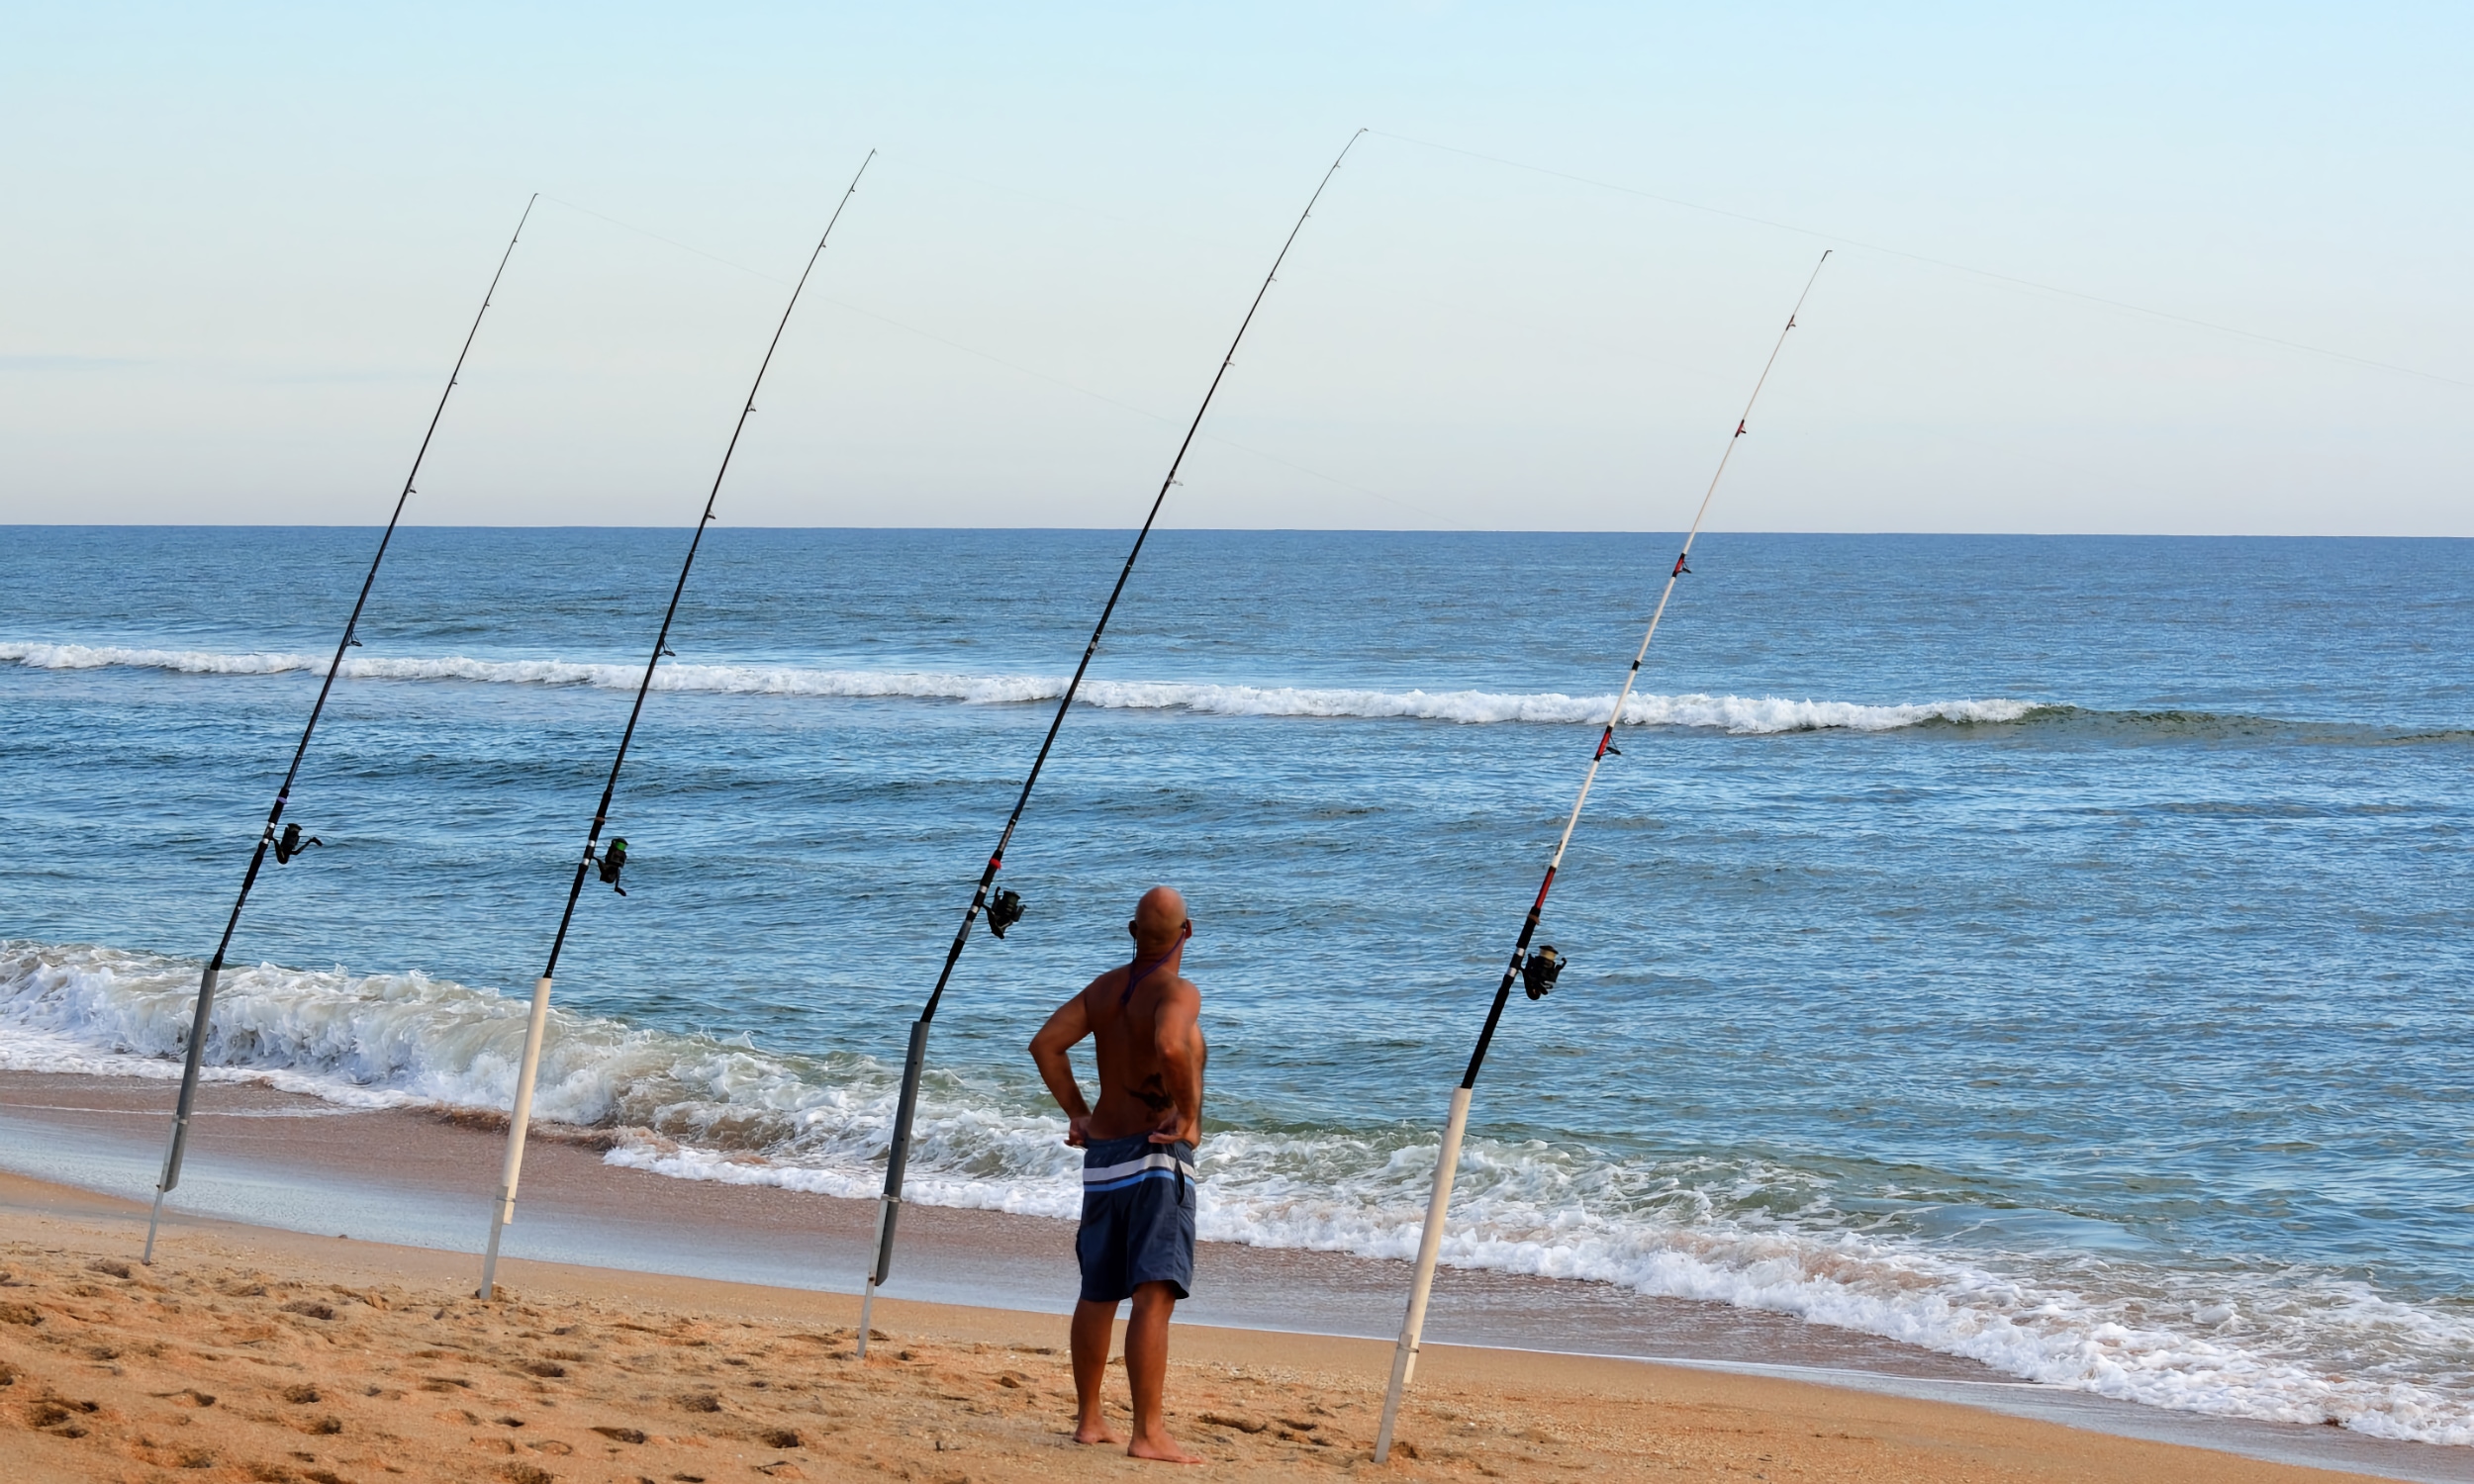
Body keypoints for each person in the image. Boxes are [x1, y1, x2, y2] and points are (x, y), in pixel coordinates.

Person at [1028, 885, 1206, 1464]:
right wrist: (1188, 1115)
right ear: (1188, 932)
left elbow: (1046, 1045)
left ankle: (1090, 1420)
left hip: (1104, 1158)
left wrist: (1079, 1114)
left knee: (1098, 1292)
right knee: (1152, 1297)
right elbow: (1170, 1047)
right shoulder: (1177, 991)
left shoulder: (1105, 989)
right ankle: (1148, 1432)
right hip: (1156, 1157)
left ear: (1132, 932)